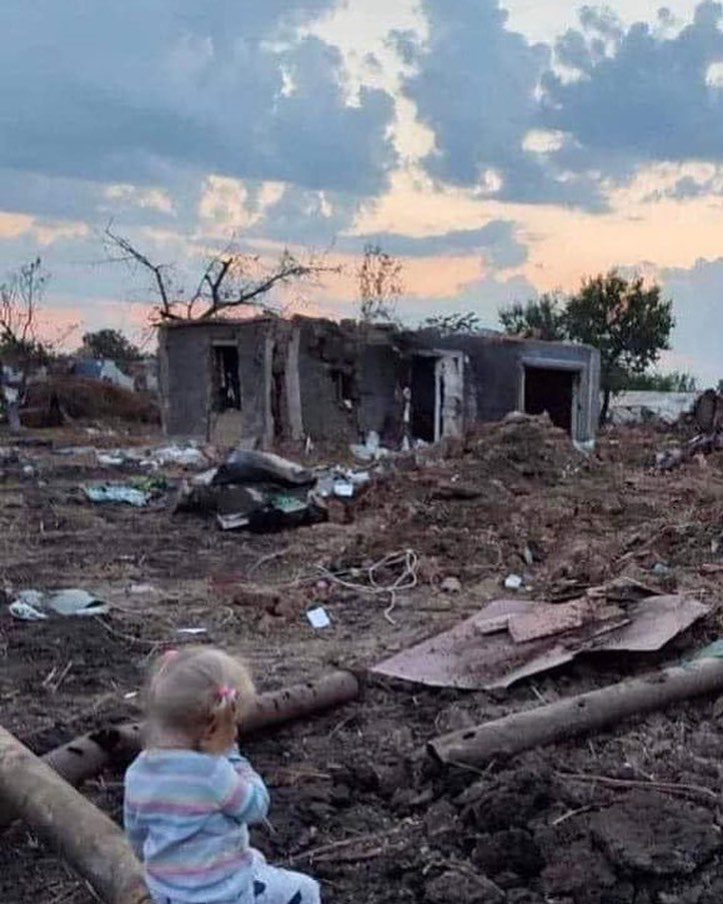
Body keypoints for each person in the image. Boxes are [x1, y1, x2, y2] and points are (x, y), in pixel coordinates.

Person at [124, 646, 321, 904]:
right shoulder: (212, 773)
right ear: (212, 728)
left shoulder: (138, 771)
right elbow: (256, 807)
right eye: (233, 723)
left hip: (168, 894)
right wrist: (234, 760)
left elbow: (137, 837)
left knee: (251, 857)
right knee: (305, 890)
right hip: (226, 896)